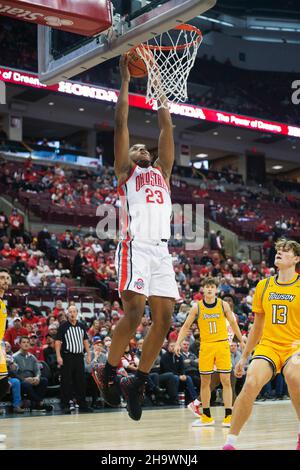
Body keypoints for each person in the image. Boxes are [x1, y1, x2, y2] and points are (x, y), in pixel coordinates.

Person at [96, 54, 179, 421]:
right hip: (134, 247)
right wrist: (127, 81)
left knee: (164, 320)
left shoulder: (162, 170)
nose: (142, 148)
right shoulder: (126, 171)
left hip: (162, 252)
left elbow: (167, 130)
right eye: (137, 148)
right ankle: (109, 371)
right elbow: (121, 123)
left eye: (145, 148)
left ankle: (137, 382)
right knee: (135, 313)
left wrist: (159, 86)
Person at [223, 239, 300, 450]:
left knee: (295, 378)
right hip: (269, 346)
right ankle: (230, 443)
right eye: (278, 250)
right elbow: (257, 326)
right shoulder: (264, 285)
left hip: (295, 346)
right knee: (250, 384)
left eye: (286, 251)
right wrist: (245, 357)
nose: (280, 253)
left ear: (296, 259)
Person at [175, 277, 243, 427]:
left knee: (226, 381)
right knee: (205, 382)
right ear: (203, 289)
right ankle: (206, 416)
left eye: (212, 286)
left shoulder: (223, 305)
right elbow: (186, 326)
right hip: (205, 346)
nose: (210, 289)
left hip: (222, 345)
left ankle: (228, 416)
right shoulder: (196, 307)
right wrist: (178, 342)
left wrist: (242, 340)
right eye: (207, 287)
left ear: (216, 289)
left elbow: (233, 323)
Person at [55, 305, 92, 413]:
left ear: (77, 313)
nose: (72, 313)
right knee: (66, 381)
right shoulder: (63, 326)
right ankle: (65, 405)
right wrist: (58, 356)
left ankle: (82, 405)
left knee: (80, 381)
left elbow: (85, 341)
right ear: (67, 314)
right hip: (67, 356)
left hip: (79, 356)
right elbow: (58, 342)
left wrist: (89, 354)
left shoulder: (81, 326)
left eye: (74, 311)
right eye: (70, 312)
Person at [13, 336, 52, 412]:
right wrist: (24, 379)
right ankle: (39, 403)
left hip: (32, 379)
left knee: (44, 380)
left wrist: (37, 377)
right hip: (22, 380)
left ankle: (36, 404)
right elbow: (14, 373)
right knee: (26, 385)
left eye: (28, 342)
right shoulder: (14, 357)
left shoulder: (32, 357)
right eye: (24, 342)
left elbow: (37, 370)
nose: (26, 344)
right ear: (20, 344)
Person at [0, 269, 11, 442]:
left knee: (3, 385)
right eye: (1, 277)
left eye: (7, 278)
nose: (5, 280)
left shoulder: (3, 302)